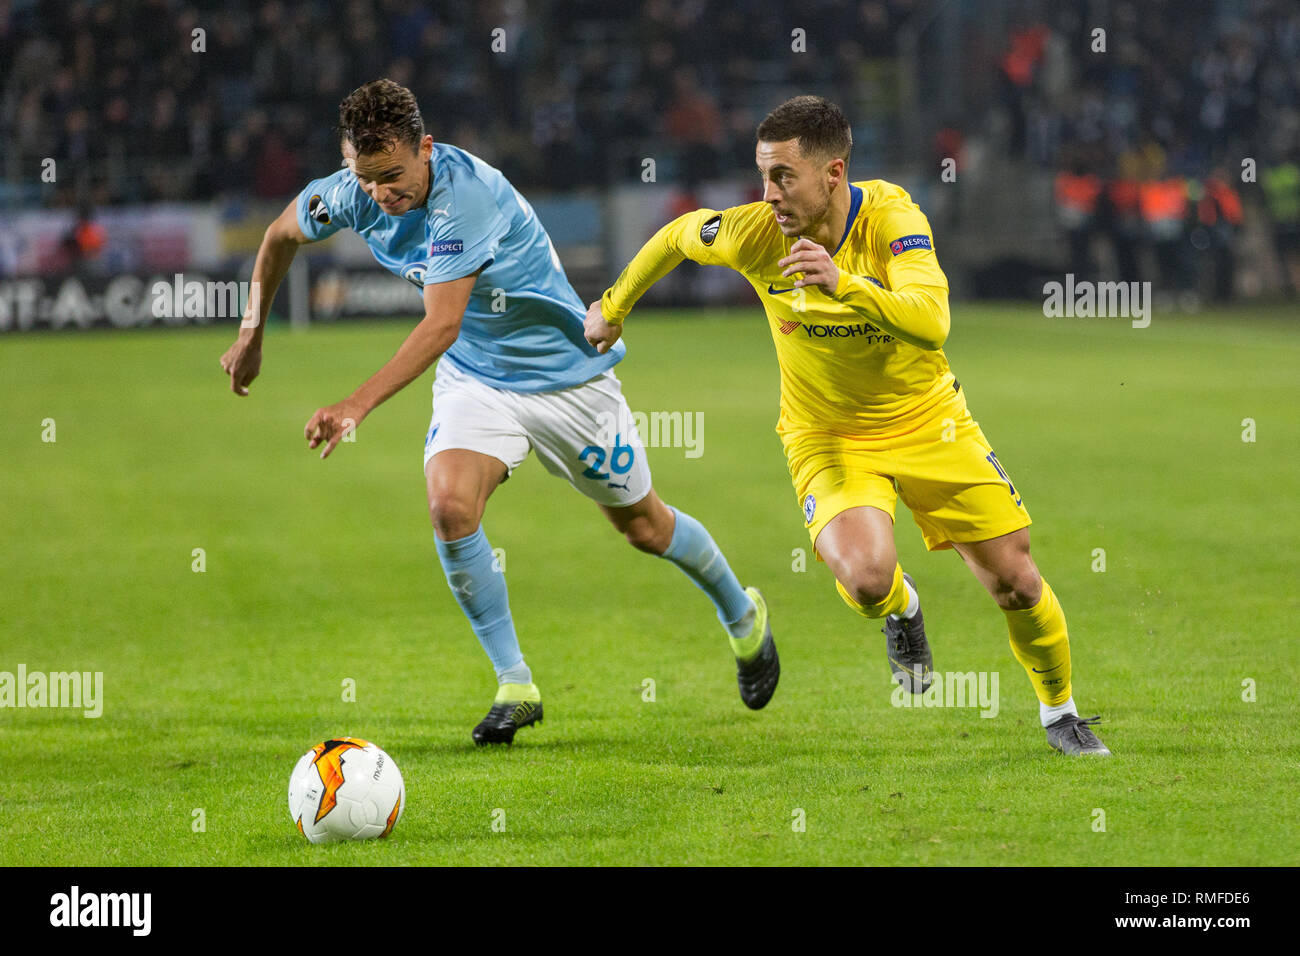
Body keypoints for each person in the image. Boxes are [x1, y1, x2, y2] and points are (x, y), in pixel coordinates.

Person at [219, 79, 777, 745]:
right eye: (365, 180)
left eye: (393, 177)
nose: (381, 196)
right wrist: (253, 330)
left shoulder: (467, 197)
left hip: (568, 378)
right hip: (479, 381)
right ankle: (515, 682)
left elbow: (440, 325)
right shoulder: (354, 191)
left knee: (645, 528)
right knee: (449, 507)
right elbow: (280, 236)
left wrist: (353, 406)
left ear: (425, 149)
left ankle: (743, 616)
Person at [585, 95, 1110, 756]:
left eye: (785, 176)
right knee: (866, 578)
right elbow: (675, 237)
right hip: (826, 435)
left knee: (1016, 580)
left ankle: (1060, 712)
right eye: (763, 174)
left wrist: (845, 285)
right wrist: (613, 306)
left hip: (929, 422)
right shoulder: (753, 233)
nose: (769, 193)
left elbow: (932, 320)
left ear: (834, 173)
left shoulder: (892, 216)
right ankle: (901, 608)